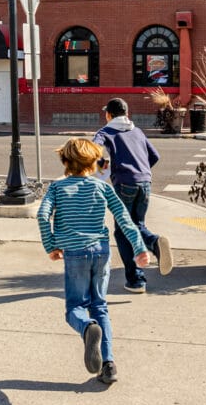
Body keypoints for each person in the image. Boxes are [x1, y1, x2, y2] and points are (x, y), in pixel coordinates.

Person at [37, 138, 152, 385]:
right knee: (100, 305)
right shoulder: (103, 188)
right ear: (94, 163)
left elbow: (42, 215)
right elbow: (123, 217)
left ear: (65, 162)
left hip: (74, 253)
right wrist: (139, 248)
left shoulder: (57, 189)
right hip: (100, 252)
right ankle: (108, 364)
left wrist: (51, 245)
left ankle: (87, 328)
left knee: (75, 308)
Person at [93, 97, 173, 294]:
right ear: (127, 114)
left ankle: (138, 276)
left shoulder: (106, 131)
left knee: (122, 231)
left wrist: (103, 163)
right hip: (144, 183)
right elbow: (155, 156)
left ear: (108, 115)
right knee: (137, 225)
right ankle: (147, 256)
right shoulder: (137, 131)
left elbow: (92, 150)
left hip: (124, 185)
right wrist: (141, 171)